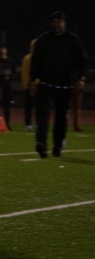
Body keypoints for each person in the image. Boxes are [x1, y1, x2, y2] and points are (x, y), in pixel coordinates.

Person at [29, 11, 87, 158]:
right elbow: (35, 61)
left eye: (59, 22)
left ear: (64, 23)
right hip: (46, 84)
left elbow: (82, 60)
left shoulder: (73, 40)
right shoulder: (43, 40)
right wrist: (32, 81)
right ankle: (41, 143)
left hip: (65, 86)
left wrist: (81, 78)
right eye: (54, 21)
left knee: (61, 118)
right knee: (43, 117)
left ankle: (57, 146)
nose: (56, 24)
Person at [20, 38, 36, 131]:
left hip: (39, 85)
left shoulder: (42, 57)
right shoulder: (28, 58)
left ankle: (39, 123)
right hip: (30, 86)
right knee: (28, 106)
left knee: (40, 107)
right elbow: (25, 73)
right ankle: (28, 124)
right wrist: (27, 85)